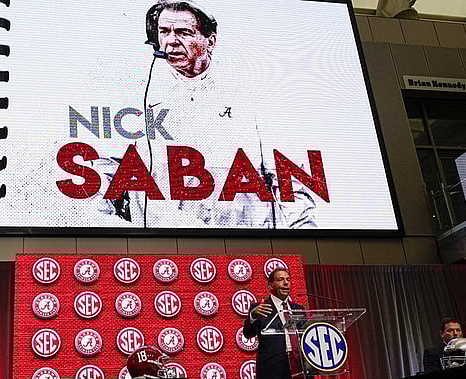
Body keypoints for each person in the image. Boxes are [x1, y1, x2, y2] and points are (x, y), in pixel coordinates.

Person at [91, 0, 317, 229]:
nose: (171, 41)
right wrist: (109, 231)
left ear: (210, 40)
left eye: (184, 32)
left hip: (246, 249)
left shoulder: (250, 93)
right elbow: (103, 170)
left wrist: (304, 238)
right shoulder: (135, 96)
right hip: (163, 249)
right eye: (163, 32)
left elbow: (289, 178)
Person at [243, 267, 316, 379]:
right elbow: (248, 333)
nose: (286, 283)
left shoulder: (298, 309)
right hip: (276, 373)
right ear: (271, 284)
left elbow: (306, 337)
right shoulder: (261, 308)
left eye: (288, 279)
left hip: (300, 371)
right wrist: (252, 316)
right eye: (281, 280)